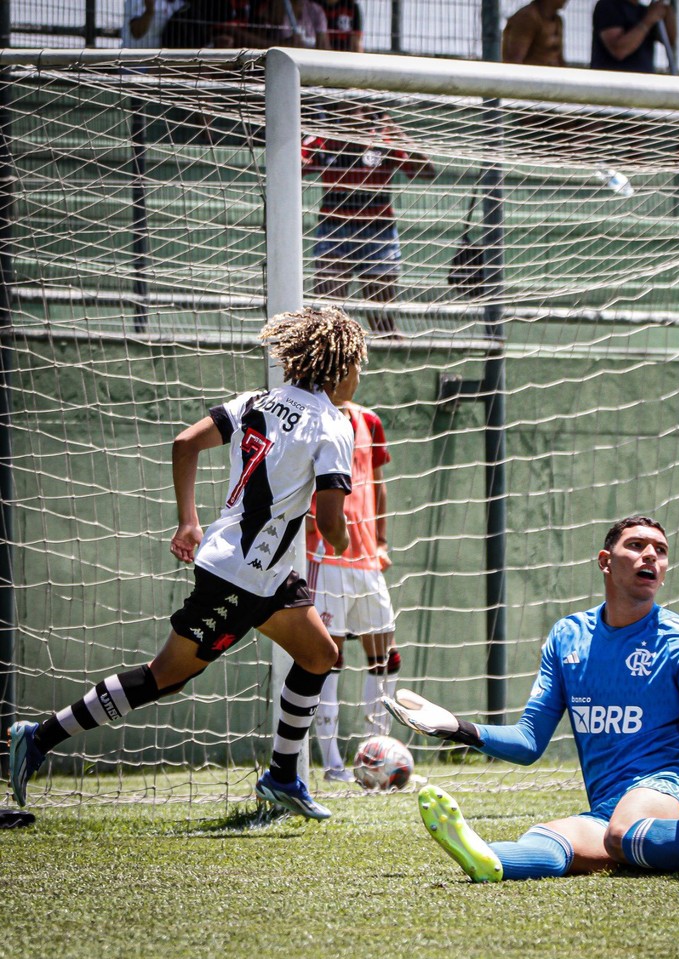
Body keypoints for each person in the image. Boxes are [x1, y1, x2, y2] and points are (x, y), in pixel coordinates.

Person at [7, 307, 368, 820]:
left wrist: (188, 521)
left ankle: (283, 777)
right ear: (339, 368)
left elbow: (184, 442)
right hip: (239, 577)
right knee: (165, 677)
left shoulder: (254, 401)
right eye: (358, 366)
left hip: (257, 571)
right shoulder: (333, 425)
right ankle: (38, 737)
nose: (359, 377)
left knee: (318, 655)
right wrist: (343, 539)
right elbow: (331, 520)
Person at [385, 516, 679, 883]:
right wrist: (457, 729)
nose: (650, 557)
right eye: (635, 546)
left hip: (674, 793)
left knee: (622, 830)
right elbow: (530, 741)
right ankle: (486, 857)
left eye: (660, 550)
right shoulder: (568, 636)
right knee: (552, 839)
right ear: (604, 561)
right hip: (609, 808)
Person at [306, 382, 399, 782]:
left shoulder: (369, 422)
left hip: (366, 560)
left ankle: (374, 755)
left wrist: (379, 541)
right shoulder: (309, 420)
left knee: (386, 653)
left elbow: (376, 486)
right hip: (324, 557)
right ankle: (332, 764)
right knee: (329, 656)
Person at [302, 107, 436, 335]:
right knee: (328, 319)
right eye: (351, 109)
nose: (358, 116)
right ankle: (330, 366)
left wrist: (398, 134)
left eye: (364, 111)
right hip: (335, 232)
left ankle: (391, 361)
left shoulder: (384, 142)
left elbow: (427, 172)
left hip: (378, 234)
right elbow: (291, 166)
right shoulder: (323, 140)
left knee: (382, 321)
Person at [589, 0, 676, 74]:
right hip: (613, 83)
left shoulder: (644, 11)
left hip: (642, 83)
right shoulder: (608, 6)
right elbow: (619, 50)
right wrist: (648, 21)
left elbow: (669, 40)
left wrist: (667, 11)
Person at [501, 0, 567, 67]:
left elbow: (559, 59)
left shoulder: (557, 21)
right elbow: (513, 60)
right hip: (531, 75)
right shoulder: (527, 18)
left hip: (551, 75)